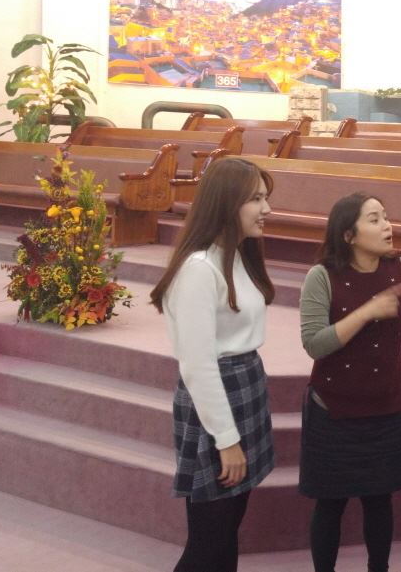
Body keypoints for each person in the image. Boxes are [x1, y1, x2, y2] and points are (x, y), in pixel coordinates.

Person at [298, 192, 401, 572]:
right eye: (374, 219)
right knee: (330, 504)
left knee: (379, 501)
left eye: (386, 217)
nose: (387, 226)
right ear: (348, 234)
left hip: (385, 408)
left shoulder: (399, 267)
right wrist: (367, 312)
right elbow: (314, 343)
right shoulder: (321, 276)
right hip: (333, 412)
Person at [149, 157, 277, 572]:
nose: (266, 209)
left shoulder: (235, 255)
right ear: (226, 202)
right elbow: (198, 365)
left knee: (227, 529)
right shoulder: (199, 269)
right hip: (218, 401)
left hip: (244, 388)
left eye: (265, 198)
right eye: (256, 199)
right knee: (208, 540)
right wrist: (226, 439)